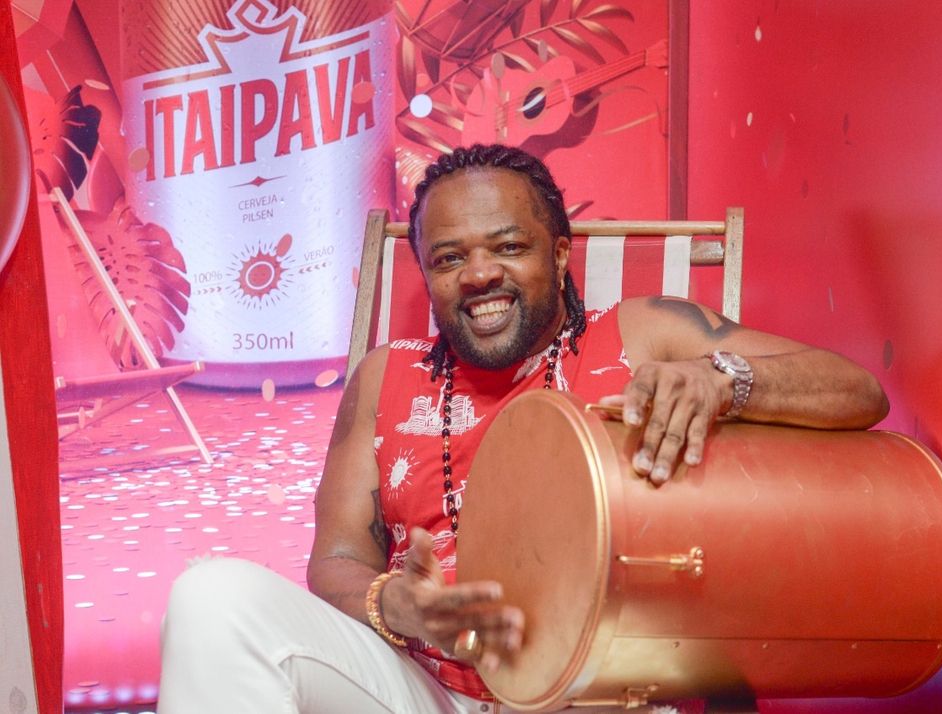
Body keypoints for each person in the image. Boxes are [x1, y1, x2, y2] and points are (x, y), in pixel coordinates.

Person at [157, 144, 888, 713]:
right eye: (449, 258)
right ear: (428, 273)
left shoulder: (647, 332)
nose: (479, 275)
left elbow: (858, 391)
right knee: (212, 596)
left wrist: (721, 378)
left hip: (609, 688)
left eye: (508, 247)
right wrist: (397, 607)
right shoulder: (384, 377)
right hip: (433, 692)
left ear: (560, 252)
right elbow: (337, 558)